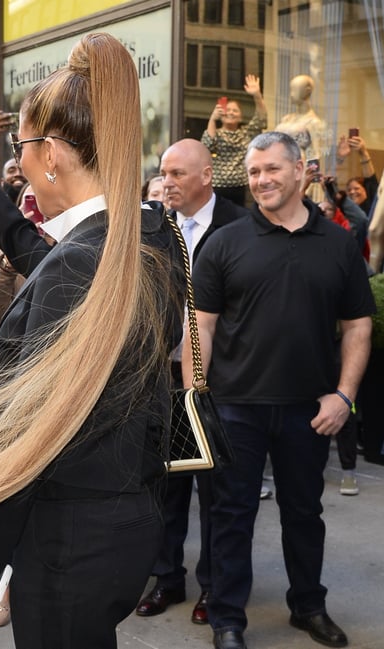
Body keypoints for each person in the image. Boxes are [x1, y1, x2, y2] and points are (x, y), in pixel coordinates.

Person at [0, 33, 185, 649]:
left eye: (21, 148)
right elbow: (54, 267)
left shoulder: (84, 263)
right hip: (118, 521)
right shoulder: (144, 238)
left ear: (51, 155)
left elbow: (24, 441)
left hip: (69, 538)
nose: (18, 163)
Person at [186, 131, 374, 649]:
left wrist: (343, 396)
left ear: (300, 172)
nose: (261, 180)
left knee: (304, 514)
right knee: (230, 517)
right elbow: (199, 326)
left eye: (271, 169)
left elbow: (358, 325)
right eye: (253, 173)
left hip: (309, 411)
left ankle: (308, 607)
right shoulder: (224, 242)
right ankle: (227, 619)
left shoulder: (337, 244)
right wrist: (197, 401)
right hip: (234, 409)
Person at [135, 138, 249, 625]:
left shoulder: (240, 228)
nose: (167, 183)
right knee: (167, 484)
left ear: (206, 175)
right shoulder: (154, 227)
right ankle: (167, 578)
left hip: (218, 380)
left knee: (216, 491)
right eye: (163, 173)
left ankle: (213, 587)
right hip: (163, 375)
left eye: (178, 174)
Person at [201, 74, 267, 206]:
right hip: (217, 188)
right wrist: (213, 118)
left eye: (235, 111)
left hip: (242, 188)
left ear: (241, 117)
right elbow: (207, 146)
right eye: (228, 110)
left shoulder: (246, 133)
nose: (231, 112)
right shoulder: (216, 133)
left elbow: (261, 120)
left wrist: (257, 95)